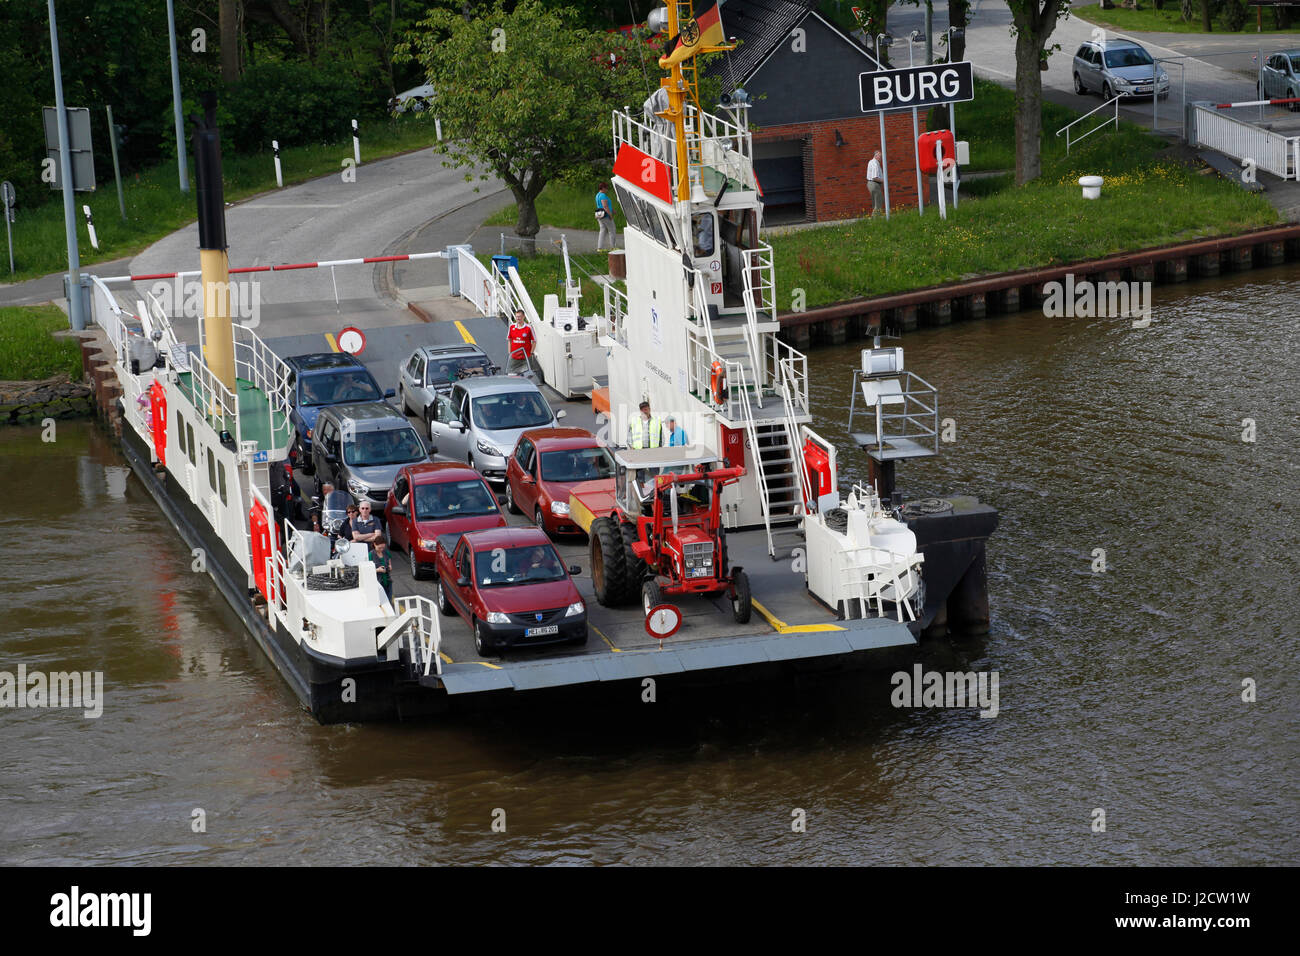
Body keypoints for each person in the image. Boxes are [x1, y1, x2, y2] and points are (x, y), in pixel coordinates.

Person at [506, 309, 535, 376]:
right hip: (514, 356)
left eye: (519, 316)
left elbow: (534, 341)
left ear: (523, 317)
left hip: (525, 357)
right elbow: (509, 340)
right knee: (511, 375)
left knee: (527, 376)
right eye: (517, 316)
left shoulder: (529, 328)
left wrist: (531, 353)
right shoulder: (512, 327)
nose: (518, 318)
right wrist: (509, 352)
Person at [595, 181, 616, 251]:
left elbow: (604, 205)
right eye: (606, 188)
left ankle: (599, 248)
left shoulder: (597, 195)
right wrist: (610, 215)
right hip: (606, 215)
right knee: (612, 230)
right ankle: (613, 247)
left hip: (599, 215)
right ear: (603, 188)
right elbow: (605, 206)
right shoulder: (603, 195)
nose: (607, 189)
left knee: (603, 230)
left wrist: (613, 210)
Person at [867, 150, 884, 217]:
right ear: (876, 156)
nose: (881, 158)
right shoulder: (875, 163)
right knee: (878, 202)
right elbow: (874, 177)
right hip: (874, 184)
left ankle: (876, 218)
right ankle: (875, 218)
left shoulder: (872, 162)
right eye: (880, 156)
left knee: (876, 202)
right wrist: (883, 181)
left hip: (871, 184)